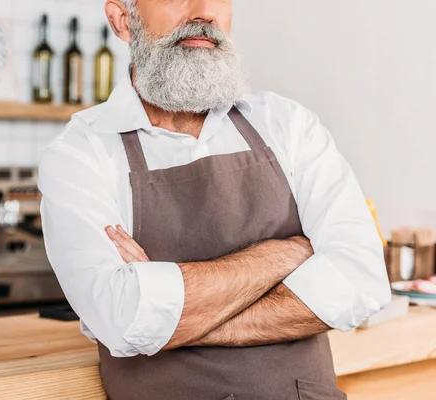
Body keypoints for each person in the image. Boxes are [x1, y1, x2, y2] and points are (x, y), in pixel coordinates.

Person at [38, 0, 391, 399]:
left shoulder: (288, 126)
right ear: (122, 21)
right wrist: (281, 256)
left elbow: (361, 280)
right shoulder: (81, 154)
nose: (204, 11)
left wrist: (172, 320)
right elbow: (121, 318)